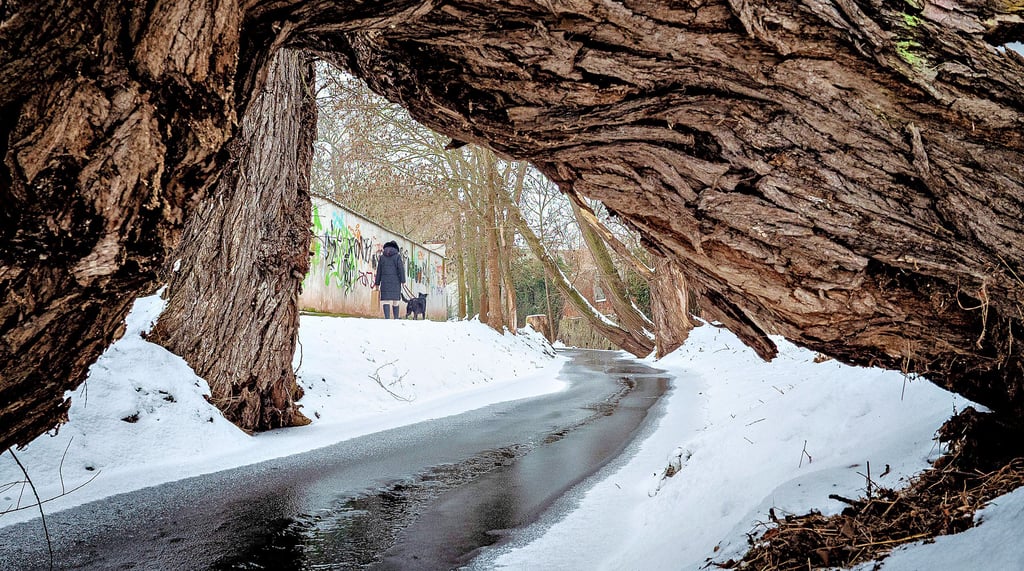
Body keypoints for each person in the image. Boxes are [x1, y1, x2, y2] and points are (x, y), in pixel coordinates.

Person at [373, 240, 405, 319]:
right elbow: (401, 269)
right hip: (396, 282)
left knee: (386, 300)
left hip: (385, 282)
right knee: (395, 300)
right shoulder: (397, 257)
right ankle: (396, 318)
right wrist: (403, 281)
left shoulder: (382, 257)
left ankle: (387, 318)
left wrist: (377, 283)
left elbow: (379, 271)